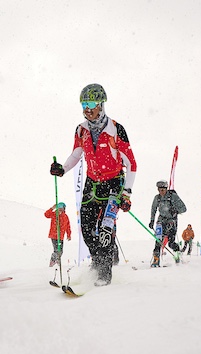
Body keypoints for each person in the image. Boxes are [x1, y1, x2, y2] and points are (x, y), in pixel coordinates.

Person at [50, 83, 137, 286]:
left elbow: (131, 164)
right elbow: (76, 154)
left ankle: (104, 274)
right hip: (92, 184)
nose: (87, 109)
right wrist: (62, 169)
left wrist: (126, 194)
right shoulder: (81, 130)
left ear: (101, 105)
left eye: (91, 104)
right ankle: (97, 262)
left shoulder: (116, 129)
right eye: (84, 105)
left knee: (106, 230)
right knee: (87, 228)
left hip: (114, 184)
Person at [149, 180, 187, 267]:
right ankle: (156, 260)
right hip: (161, 220)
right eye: (159, 190)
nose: (161, 192)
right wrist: (152, 220)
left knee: (171, 242)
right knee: (158, 240)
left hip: (171, 221)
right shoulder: (157, 198)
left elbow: (184, 208)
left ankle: (177, 253)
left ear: (166, 189)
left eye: (163, 190)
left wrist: (175, 210)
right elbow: (153, 209)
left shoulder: (173, 196)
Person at [44, 202, 72, 268]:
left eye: (62, 208)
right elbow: (46, 215)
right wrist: (52, 208)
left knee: (61, 251)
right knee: (56, 250)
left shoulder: (65, 216)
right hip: (54, 235)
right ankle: (53, 261)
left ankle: (56, 259)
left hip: (61, 236)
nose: (60, 209)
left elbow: (68, 226)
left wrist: (69, 235)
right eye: (59, 208)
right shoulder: (54, 214)